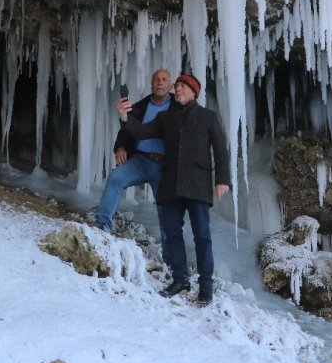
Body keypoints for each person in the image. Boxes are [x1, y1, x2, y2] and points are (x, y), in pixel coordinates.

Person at [118, 74, 230, 306]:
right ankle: (180, 280)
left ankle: (206, 286)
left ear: (194, 92)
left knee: (202, 236)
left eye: (182, 86)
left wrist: (222, 180)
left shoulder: (208, 117)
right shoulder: (164, 117)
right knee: (172, 234)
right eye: (176, 86)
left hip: (197, 183)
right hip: (171, 182)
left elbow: (220, 149)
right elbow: (141, 132)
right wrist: (124, 117)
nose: (177, 89)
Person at [94, 69, 173, 258]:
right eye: (156, 80)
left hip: (165, 166)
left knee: (166, 208)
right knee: (115, 177)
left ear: (171, 85)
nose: (160, 83)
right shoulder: (140, 106)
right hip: (141, 160)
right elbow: (126, 129)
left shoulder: (178, 107)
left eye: (164, 80)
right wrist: (120, 147)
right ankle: (101, 227)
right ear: (151, 84)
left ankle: (171, 256)